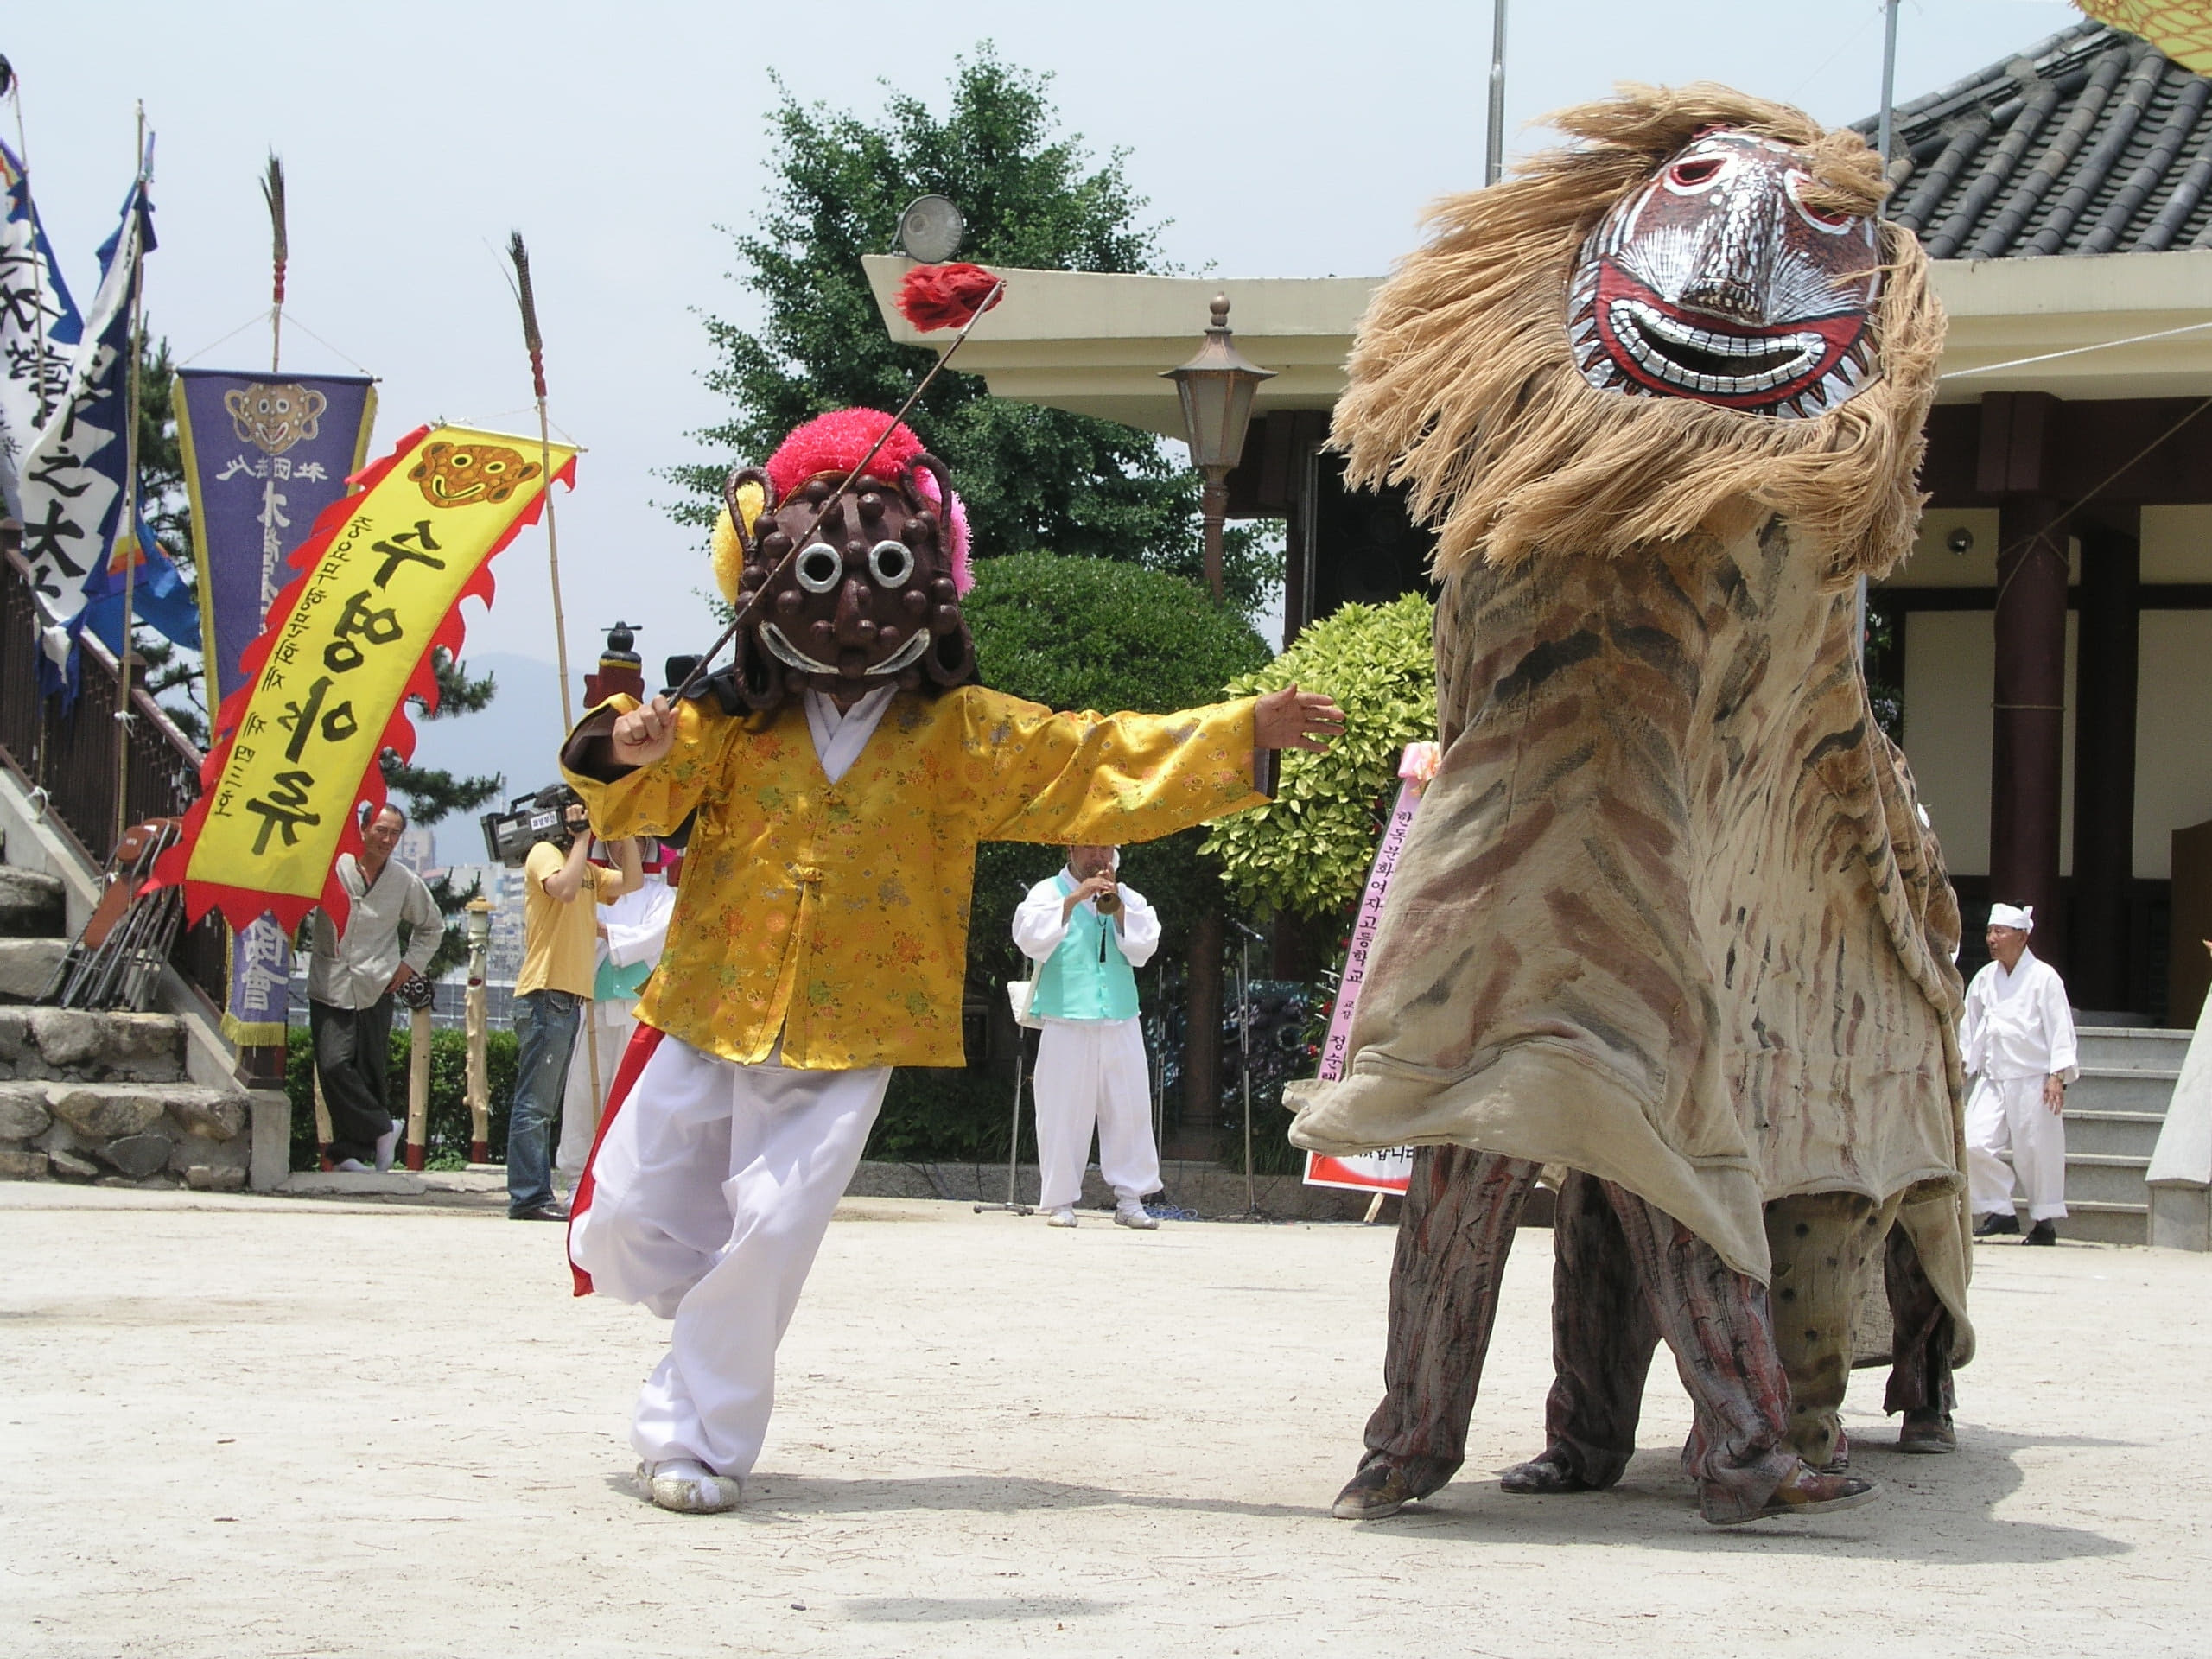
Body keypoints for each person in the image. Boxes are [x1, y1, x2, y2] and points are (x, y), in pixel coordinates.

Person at [558, 406, 1344, 1515]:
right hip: (707, 1001)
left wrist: (1237, 731)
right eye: (816, 569)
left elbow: (1093, 759)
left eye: (880, 569)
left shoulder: (961, 734)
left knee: (772, 1231)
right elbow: (636, 794)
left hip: (853, 1028)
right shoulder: (727, 721)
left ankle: (694, 1434)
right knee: (633, 1222)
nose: (846, 601)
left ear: (927, 579)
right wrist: (621, 744)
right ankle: (699, 1317)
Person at [1013, 844, 1162, 1230]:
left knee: (1129, 1109)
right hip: (1066, 1016)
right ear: (1071, 848)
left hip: (1120, 1014)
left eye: (1105, 849)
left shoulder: (1127, 895)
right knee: (1061, 1110)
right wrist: (1076, 900)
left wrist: (1116, 906)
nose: (1098, 857)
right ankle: (1061, 1200)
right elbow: (1029, 940)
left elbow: (1144, 947)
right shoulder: (1047, 892)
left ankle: (1131, 1199)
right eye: (1090, 848)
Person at [507, 790, 641, 1223]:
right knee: (535, 1103)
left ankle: (534, 1192)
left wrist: (625, 842)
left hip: (567, 996)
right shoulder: (544, 853)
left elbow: (631, 884)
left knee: (544, 1101)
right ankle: (528, 1195)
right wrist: (582, 839)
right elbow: (563, 890)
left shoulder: (587, 869)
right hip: (545, 991)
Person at [305, 803, 441, 1173]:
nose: (387, 839)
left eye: (395, 833)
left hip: (377, 984)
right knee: (333, 1065)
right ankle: (383, 1127)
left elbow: (432, 927)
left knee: (369, 1069)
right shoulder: (335, 868)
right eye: (381, 830)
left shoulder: (403, 880)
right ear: (363, 829)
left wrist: (409, 966)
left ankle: (352, 1153)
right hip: (331, 982)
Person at [555, 838, 678, 1185]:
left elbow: (656, 936)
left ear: (647, 847)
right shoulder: (592, 887)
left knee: (635, 1094)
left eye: (634, 841)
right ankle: (576, 1176)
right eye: (615, 841)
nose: (624, 849)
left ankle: (629, 1179)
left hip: (639, 1010)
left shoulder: (660, 896)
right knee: (582, 1092)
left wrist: (607, 932)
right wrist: (600, 935)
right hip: (596, 1003)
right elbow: (580, 932)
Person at [1962, 902, 2077, 1245]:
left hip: (2034, 1077)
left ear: (2022, 937)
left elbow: (2060, 1028)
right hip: (1995, 1076)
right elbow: (1970, 1027)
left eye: (1999, 932)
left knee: (2037, 1151)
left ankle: (2044, 1222)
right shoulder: (1985, 978)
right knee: (1972, 1142)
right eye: (1989, 931)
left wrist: (2058, 1075)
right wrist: (1962, 1065)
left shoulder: (2044, 978)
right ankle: (2000, 1210)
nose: (1991, 939)